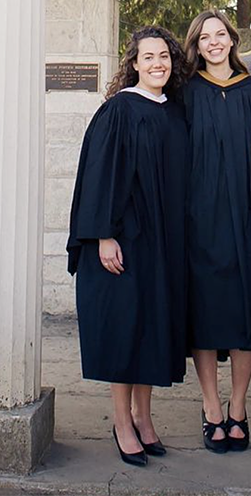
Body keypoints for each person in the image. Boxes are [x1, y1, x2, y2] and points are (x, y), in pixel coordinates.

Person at [66, 26, 189, 467]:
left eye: (164, 56)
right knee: (124, 331)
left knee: (152, 330)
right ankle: (121, 421)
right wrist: (103, 235)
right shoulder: (119, 110)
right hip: (124, 239)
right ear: (134, 64)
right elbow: (99, 174)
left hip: (162, 242)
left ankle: (144, 416)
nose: (158, 63)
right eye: (148, 57)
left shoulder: (175, 112)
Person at [183, 9, 251, 453]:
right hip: (200, 220)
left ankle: (238, 407)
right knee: (207, 314)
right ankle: (211, 407)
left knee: (243, 315)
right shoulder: (186, 92)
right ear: (195, 45)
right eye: (204, 37)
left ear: (232, 40)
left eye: (220, 35)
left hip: (247, 217)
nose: (213, 43)